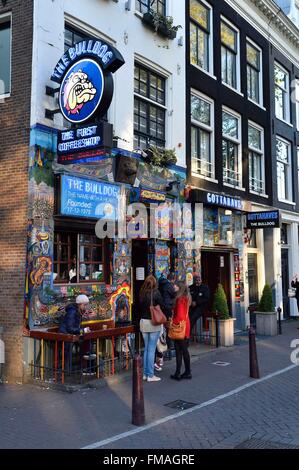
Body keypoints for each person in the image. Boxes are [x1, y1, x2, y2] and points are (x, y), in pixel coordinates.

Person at [139, 275, 165, 382]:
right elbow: (162, 305)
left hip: (143, 322)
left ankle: (145, 374)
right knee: (151, 349)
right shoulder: (156, 293)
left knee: (146, 349)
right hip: (153, 322)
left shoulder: (142, 293)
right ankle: (150, 375)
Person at [155, 272, 178, 370]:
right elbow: (174, 294)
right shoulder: (168, 285)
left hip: (161, 308)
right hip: (167, 308)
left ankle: (163, 347)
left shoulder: (160, 283)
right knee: (168, 327)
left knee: (162, 329)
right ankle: (168, 346)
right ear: (172, 279)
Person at [170, 281, 192, 380]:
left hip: (179, 326)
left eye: (175, 285)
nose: (173, 286)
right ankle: (180, 372)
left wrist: (172, 323)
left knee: (180, 350)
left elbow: (179, 315)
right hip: (185, 325)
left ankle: (184, 372)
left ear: (179, 288)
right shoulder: (186, 298)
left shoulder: (179, 299)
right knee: (182, 350)